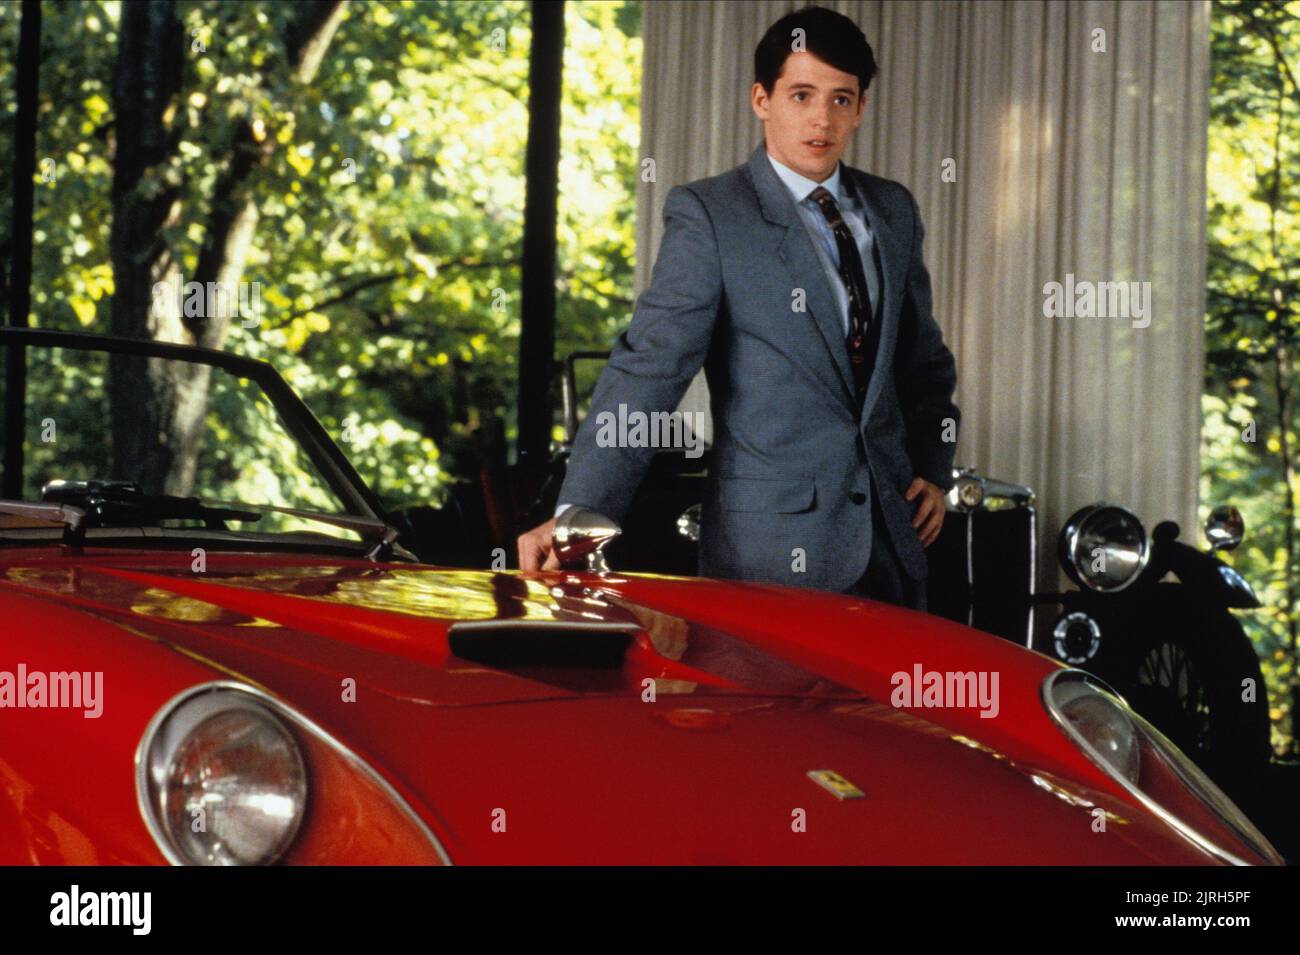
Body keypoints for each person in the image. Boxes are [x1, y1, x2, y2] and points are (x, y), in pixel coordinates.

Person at [517, 5, 959, 611]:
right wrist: (576, 514)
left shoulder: (892, 210)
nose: (821, 119)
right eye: (801, 94)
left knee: (890, 713)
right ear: (761, 99)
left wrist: (934, 468)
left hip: (893, 547)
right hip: (768, 555)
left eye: (840, 100)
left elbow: (923, 362)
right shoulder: (712, 215)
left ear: (860, 109)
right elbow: (649, 370)